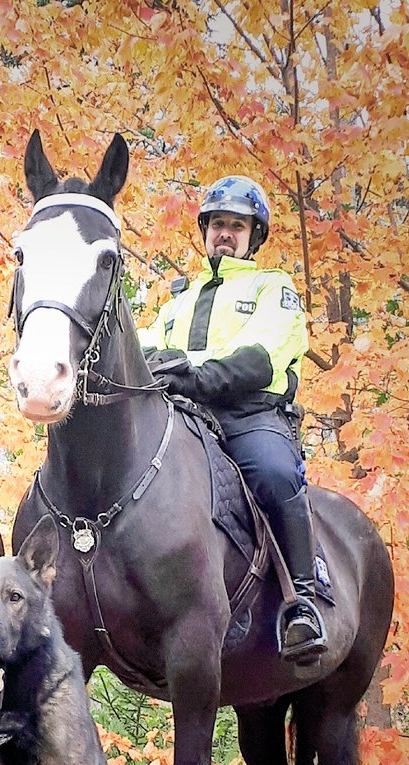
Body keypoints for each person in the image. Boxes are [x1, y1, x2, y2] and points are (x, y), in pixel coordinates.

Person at [139, 174, 327, 664]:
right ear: (205, 231)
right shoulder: (177, 299)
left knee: (275, 472)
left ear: (254, 235)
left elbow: (262, 356)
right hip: (182, 413)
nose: (225, 233)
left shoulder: (274, 288)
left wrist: (193, 373)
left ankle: (302, 601)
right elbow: (145, 348)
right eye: (217, 223)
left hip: (250, 415)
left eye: (237, 226)